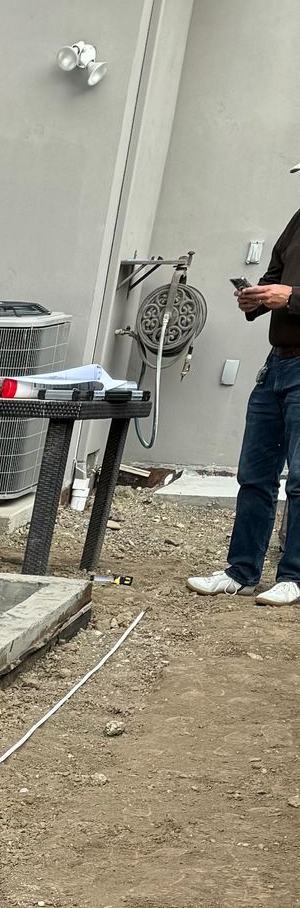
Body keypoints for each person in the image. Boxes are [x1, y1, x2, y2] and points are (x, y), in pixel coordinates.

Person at [188, 181, 300, 604]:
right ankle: (241, 571)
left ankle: (293, 577)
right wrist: (255, 298)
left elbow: (287, 292)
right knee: (255, 474)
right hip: (277, 364)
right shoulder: (298, 221)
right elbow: (273, 278)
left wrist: (290, 298)